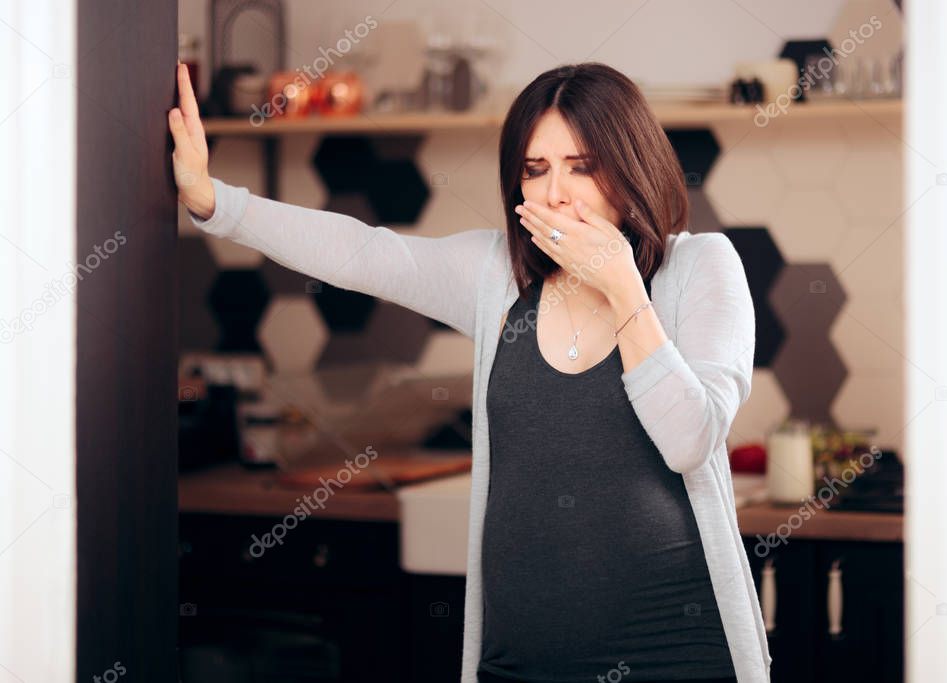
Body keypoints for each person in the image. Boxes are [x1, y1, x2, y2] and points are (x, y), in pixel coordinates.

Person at [169, 60, 770, 683]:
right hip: (513, 665)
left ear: (631, 165)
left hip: (675, 661)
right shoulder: (496, 277)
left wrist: (623, 288)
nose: (554, 193)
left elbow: (691, 440)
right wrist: (215, 201)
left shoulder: (701, 269)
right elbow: (366, 254)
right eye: (535, 170)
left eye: (581, 166)